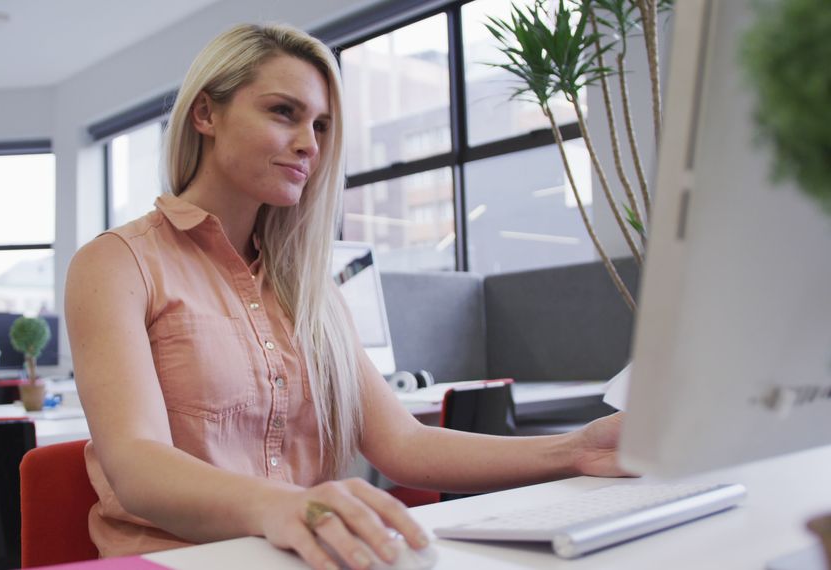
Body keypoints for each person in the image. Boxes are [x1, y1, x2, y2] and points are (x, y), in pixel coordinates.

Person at [65, 23, 627, 570]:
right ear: (207, 113)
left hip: (304, 556)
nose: (309, 144)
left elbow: (402, 443)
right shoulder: (118, 263)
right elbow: (137, 466)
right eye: (284, 112)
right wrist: (281, 506)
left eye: (323, 125)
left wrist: (574, 450)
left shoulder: (310, 290)